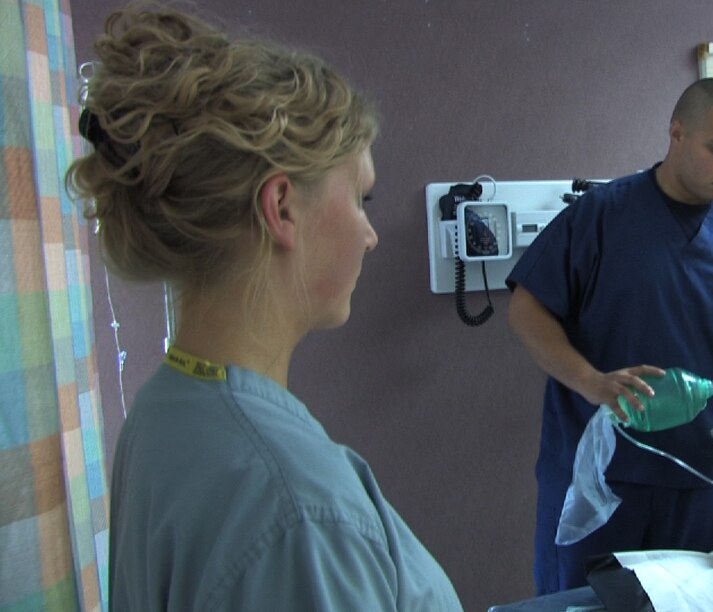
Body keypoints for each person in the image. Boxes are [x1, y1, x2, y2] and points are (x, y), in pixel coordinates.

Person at [68, 4, 462, 610]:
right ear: (281, 208)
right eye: (362, 197)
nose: (369, 235)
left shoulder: (165, 411)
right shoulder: (298, 513)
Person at [505, 77, 713, 593]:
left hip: (703, 484)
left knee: (691, 600)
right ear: (677, 133)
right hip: (601, 482)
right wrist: (591, 381)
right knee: (585, 602)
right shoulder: (602, 217)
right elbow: (527, 309)